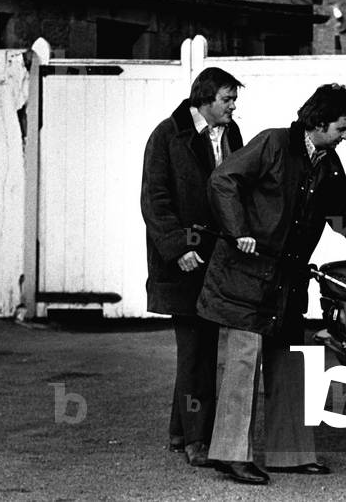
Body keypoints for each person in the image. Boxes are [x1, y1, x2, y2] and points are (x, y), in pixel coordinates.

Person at [198, 83, 346, 484]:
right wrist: (238, 229)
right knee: (243, 364)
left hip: (287, 281)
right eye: (341, 128)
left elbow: (344, 215)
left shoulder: (328, 163)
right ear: (318, 122)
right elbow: (222, 181)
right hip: (246, 276)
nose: (345, 136)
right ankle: (230, 455)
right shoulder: (274, 144)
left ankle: (290, 454)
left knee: (291, 361)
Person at [140, 67, 244, 467]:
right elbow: (155, 199)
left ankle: (180, 432)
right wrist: (177, 247)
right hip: (184, 261)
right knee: (195, 351)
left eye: (234, 100)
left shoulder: (231, 133)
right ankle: (197, 441)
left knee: (200, 349)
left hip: (216, 257)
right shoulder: (167, 135)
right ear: (205, 99)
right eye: (227, 100)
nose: (233, 107)